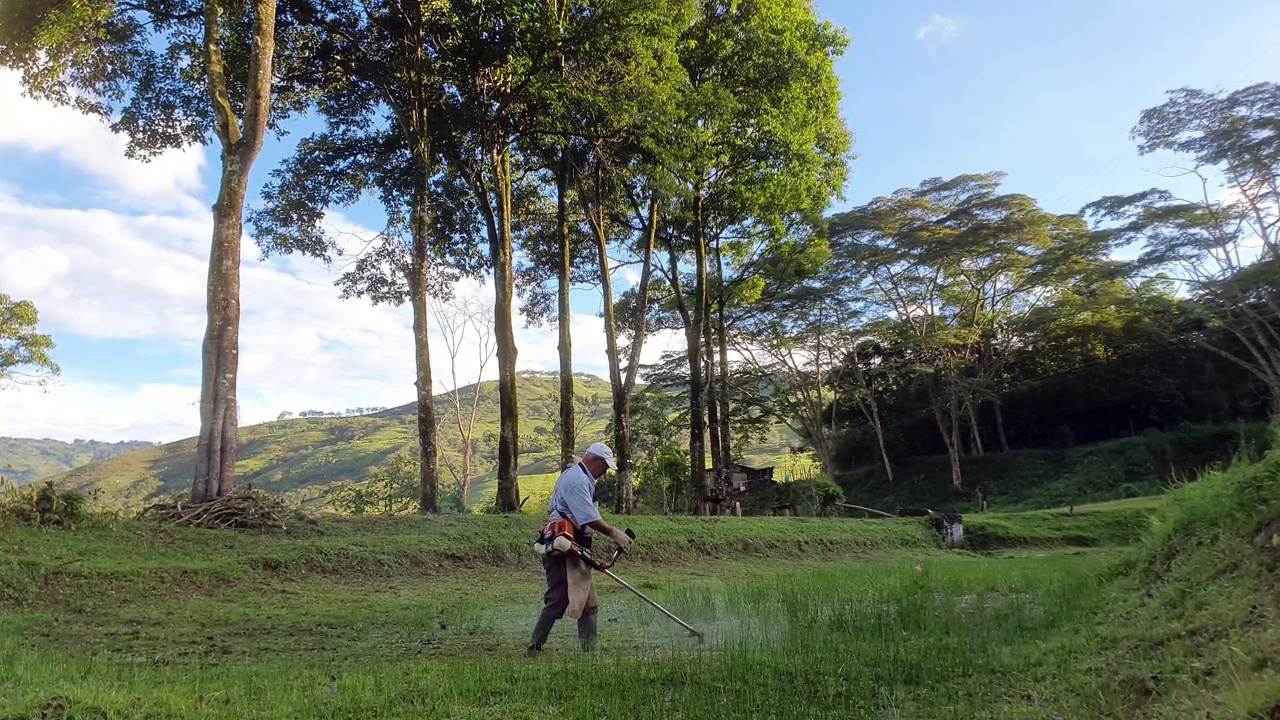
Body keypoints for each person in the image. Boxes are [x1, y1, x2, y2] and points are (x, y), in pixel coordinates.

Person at [525, 442, 632, 656]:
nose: (604, 472)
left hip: (576, 544)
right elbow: (588, 517)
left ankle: (588, 652)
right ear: (594, 460)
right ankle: (534, 649)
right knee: (558, 598)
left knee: (588, 601)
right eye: (604, 466)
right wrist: (614, 533)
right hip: (562, 545)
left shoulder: (577, 476)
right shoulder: (577, 480)